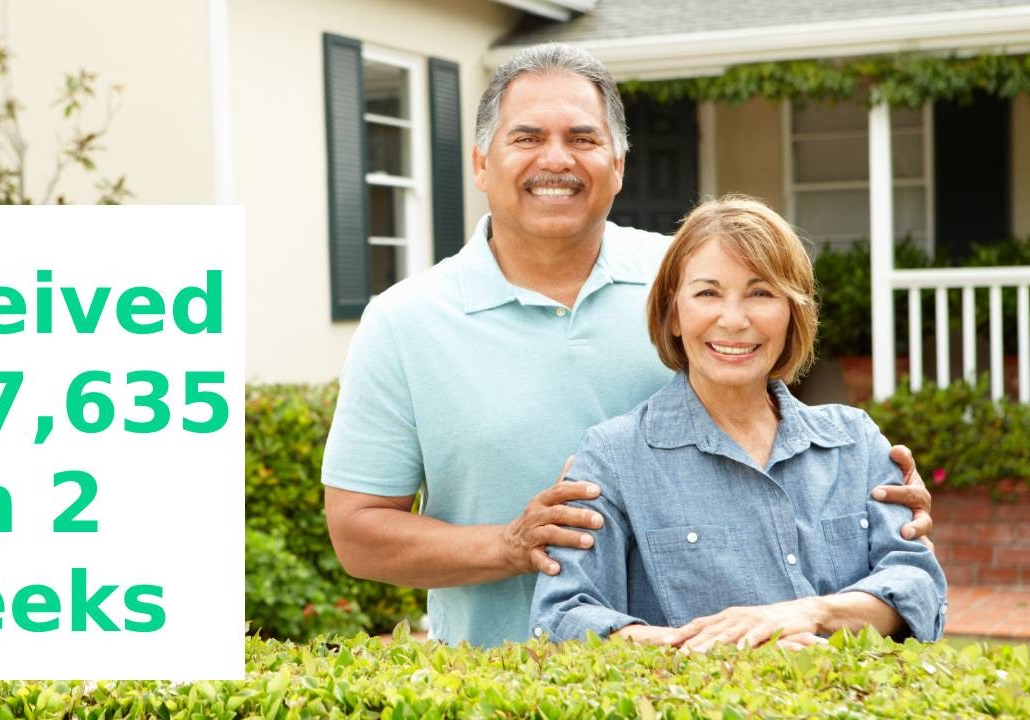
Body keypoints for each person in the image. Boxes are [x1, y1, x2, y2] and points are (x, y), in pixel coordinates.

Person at [321, 42, 935, 648]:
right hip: (501, 682)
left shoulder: (694, 279)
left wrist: (872, 496)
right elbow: (357, 534)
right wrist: (510, 544)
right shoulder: (404, 320)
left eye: (584, 139)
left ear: (618, 164)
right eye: (527, 137)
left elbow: (777, 441)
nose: (556, 160)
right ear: (481, 162)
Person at [529, 197, 947, 648]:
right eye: (708, 293)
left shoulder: (855, 441)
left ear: (793, 313)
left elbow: (918, 587)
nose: (733, 320)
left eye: (761, 293)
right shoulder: (612, 457)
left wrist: (810, 614)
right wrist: (711, 651)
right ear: (673, 312)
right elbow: (562, 618)